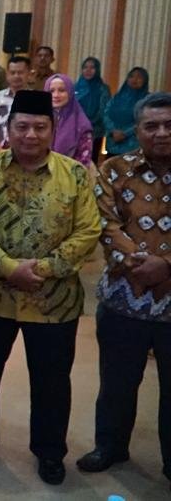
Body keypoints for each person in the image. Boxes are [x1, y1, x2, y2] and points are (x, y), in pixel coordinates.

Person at [0, 90, 101, 485]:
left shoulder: (74, 174)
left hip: (53, 300)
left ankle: (50, 451)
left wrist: (42, 268)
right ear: (8, 128)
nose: (31, 135)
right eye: (22, 126)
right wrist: (8, 267)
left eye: (40, 127)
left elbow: (89, 230)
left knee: (52, 381)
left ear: (53, 129)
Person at [77, 92, 171, 488]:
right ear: (137, 130)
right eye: (152, 125)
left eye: (169, 125)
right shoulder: (115, 169)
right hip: (123, 299)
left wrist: (166, 266)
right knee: (116, 383)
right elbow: (105, 224)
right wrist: (141, 265)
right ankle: (111, 446)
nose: (161, 132)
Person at [0, 56, 31, 153]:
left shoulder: (36, 98)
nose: (16, 76)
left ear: (28, 74)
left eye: (20, 72)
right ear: (7, 74)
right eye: (13, 72)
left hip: (25, 153)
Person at [45, 73, 93, 165]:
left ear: (70, 92)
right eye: (51, 91)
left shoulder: (81, 125)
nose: (56, 95)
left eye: (62, 90)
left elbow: (83, 163)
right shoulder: (39, 120)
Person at [104, 67, 150, 157]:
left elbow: (143, 120)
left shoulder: (147, 100)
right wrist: (113, 130)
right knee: (111, 165)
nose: (134, 79)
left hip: (133, 144)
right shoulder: (117, 97)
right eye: (131, 76)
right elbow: (106, 114)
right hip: (112, 142)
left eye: (139, 77)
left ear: (145, 80)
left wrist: (125, 133)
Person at [74, 56, 111, 165]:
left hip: (94, 130)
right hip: (75, 129)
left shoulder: (103, 88)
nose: (88, 70)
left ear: (97, 70)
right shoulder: (76, 87)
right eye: (85, 67)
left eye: (92, 67)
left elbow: (103, 110)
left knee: (89, 161)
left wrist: (87, 124)